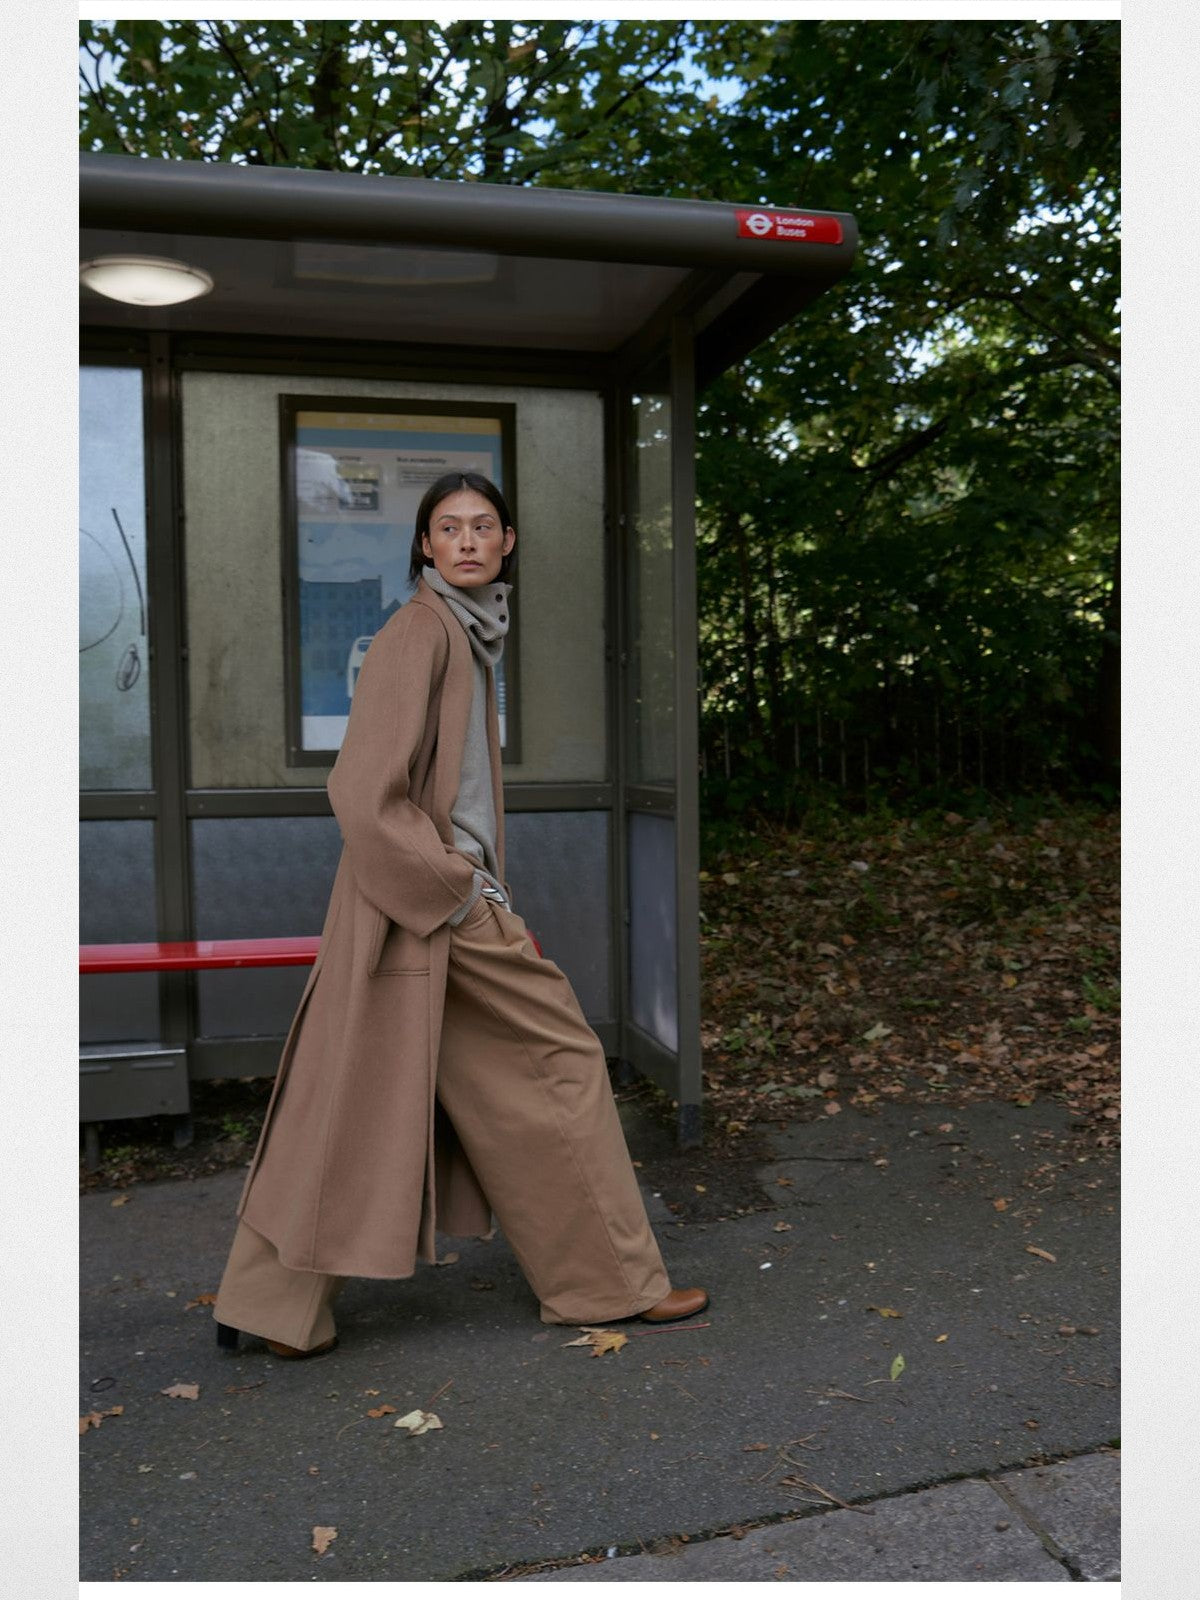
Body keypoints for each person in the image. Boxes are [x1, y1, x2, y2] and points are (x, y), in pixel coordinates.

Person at [212, 470, 708, 1358]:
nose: (468, 540)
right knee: (558, 1061)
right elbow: (363, 790)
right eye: (449, 528)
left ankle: (268, 1307)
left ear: (508, 542)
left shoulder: (464, 631)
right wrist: (459, 893)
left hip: (410, 904)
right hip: (427, 905)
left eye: (483, 526)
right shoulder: (421, 631)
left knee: (355, 1090)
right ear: (425, 546)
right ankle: (609, 1283)